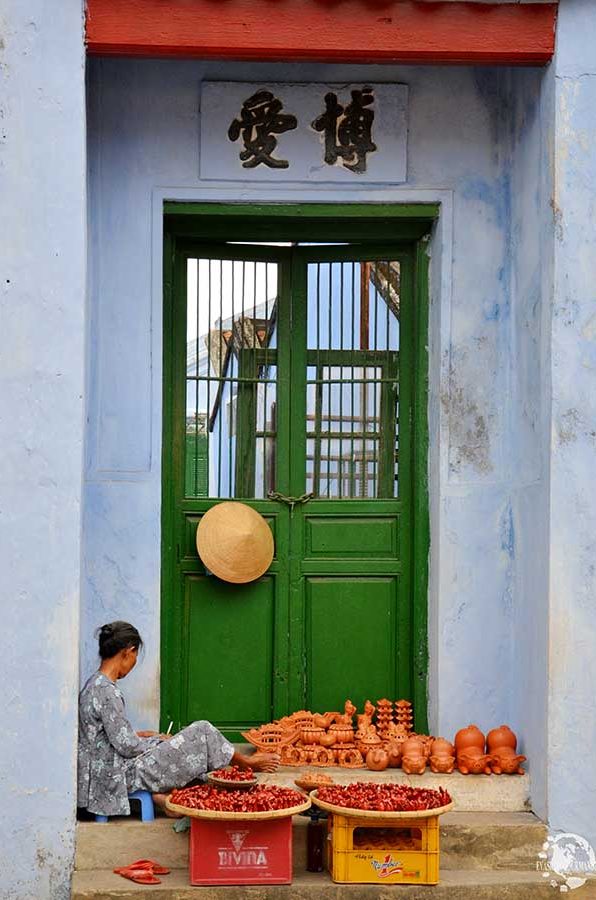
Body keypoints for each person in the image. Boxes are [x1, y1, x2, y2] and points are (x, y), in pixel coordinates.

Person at [77, 621, 279, 817]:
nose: (133, 663)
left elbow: (106, 736)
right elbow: (128, 747)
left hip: (105, 770)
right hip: (118, 773)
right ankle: (247, 762)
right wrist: (155, 742)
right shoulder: (106, 692)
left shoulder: (94, 684)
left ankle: (161, 797)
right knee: (202, 731)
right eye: (135, 657)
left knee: (187, 753)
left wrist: (146, 737)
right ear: (128, 652)